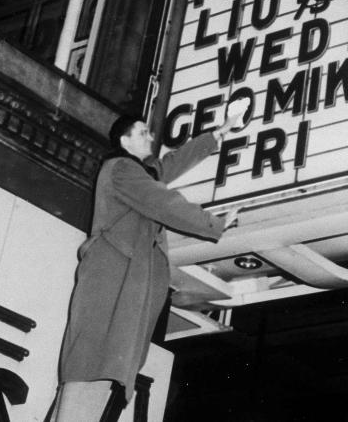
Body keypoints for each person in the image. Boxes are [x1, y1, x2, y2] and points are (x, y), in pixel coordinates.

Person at [48, 99, 249, 422]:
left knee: (102, 369)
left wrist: (221, 131)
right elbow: (162, 200)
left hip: (122, 281)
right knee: (94, 367)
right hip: (113, 280)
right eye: (142, 132)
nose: (150, 137)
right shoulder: (121, 169)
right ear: (124, 141)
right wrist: (214, 223)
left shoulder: (137, 171)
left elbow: (172, 162)